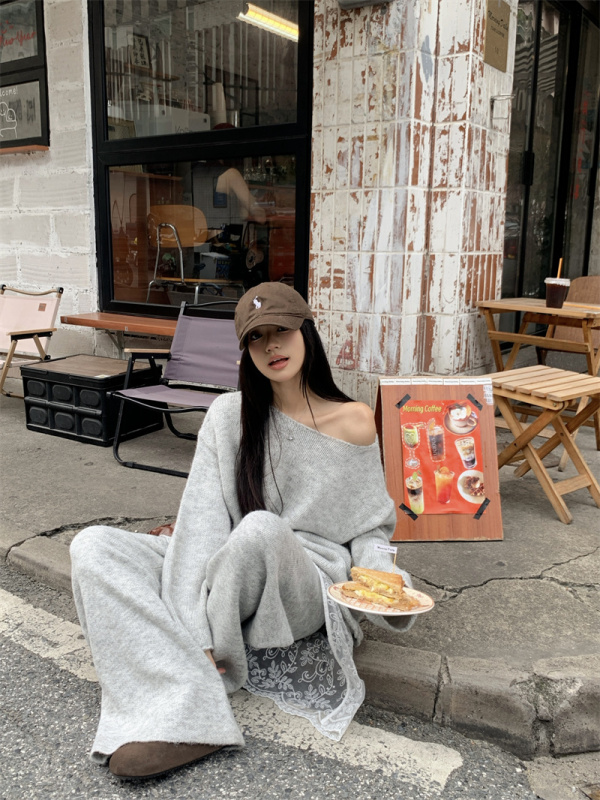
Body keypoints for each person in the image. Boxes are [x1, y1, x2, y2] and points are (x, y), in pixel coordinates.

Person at [70, 282, 417, 781]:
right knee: (94, 546)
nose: (271, 346)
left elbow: (370, 528)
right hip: (226, 567)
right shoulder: (228, 415)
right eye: (257, 337)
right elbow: (203, 523)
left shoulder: (355, 420)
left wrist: (387, 581)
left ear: (306, 332)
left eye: (281, 331)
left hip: (303, 582)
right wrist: (195, 627)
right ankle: (186, 699)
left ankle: (186, 694)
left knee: (259, 530)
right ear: (245, 350)